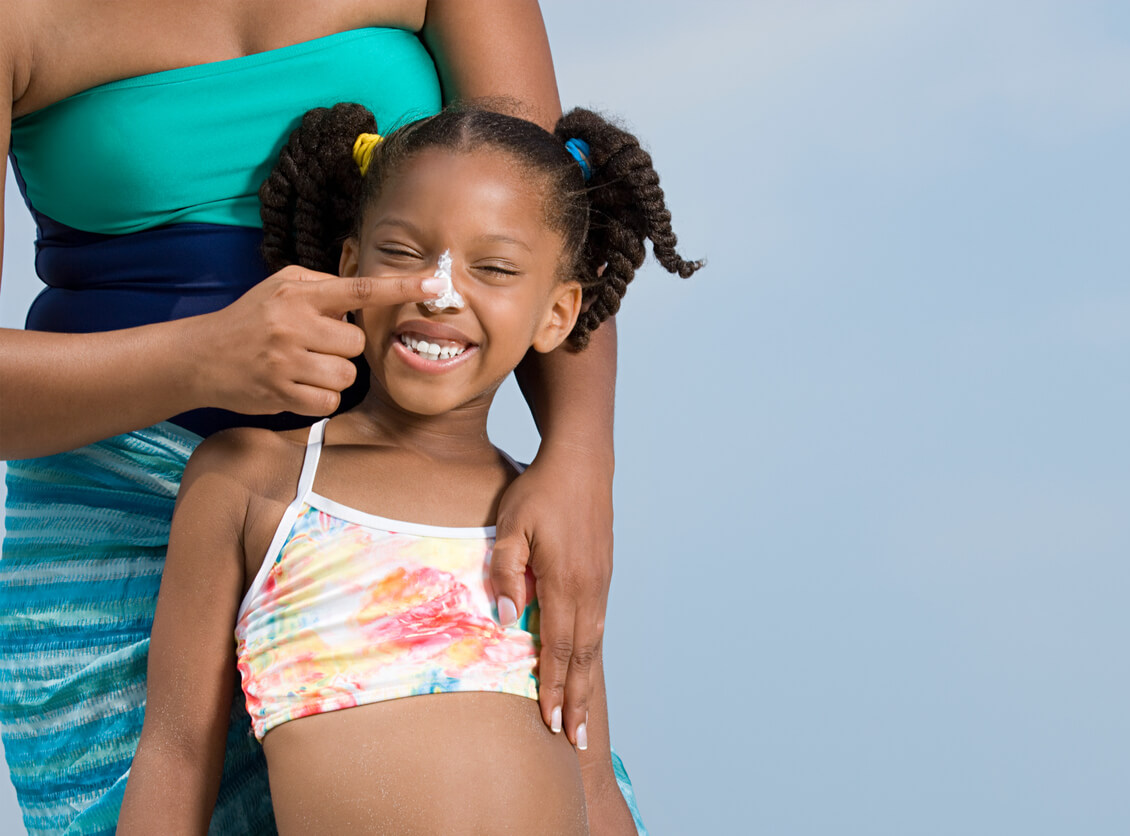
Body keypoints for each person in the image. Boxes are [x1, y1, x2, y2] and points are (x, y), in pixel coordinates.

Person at [1, 4, 639, 833]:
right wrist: (201, 357)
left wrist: (580, 460)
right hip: (111, 525)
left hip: (394, 505)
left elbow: (544, 209)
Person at [116, 102, 700, 834]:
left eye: (492, 268)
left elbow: (590, 773)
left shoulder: (540, 518)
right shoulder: (253, 483)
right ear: (351, 266)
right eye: (402, 253)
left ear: (557, 313)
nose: (438, 290)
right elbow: (174, 757)